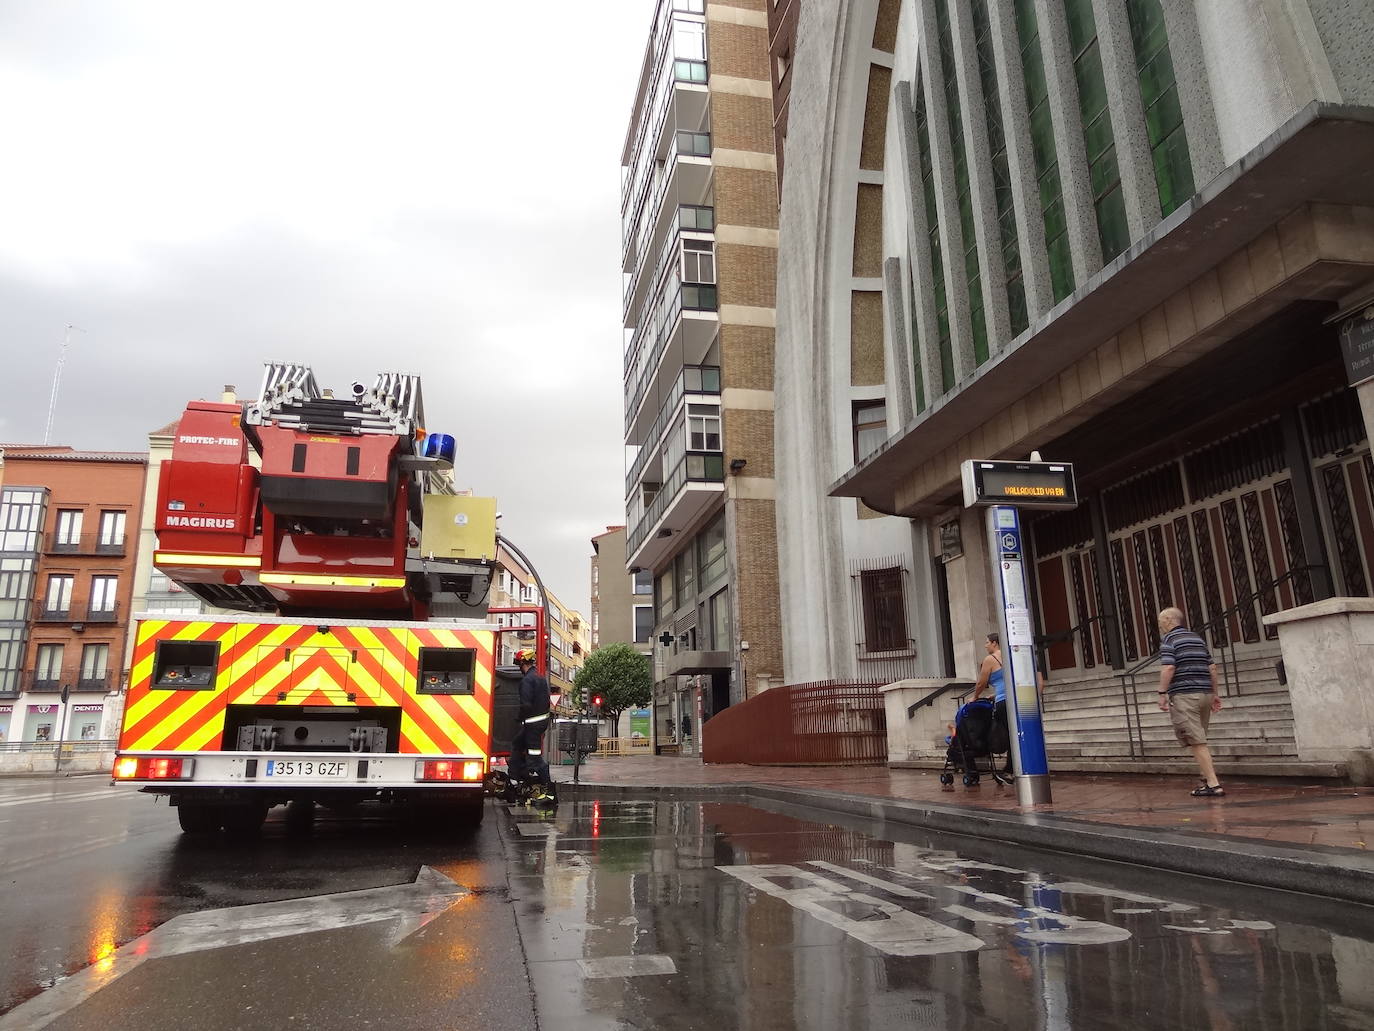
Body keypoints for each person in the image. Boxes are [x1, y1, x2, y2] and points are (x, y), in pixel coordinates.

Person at [1157, 607, 1224, 797]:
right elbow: (1212, 668)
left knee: (1197, 741)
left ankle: (1213, 783)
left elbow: (1169, 667)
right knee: (1200, 738)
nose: (1160, 625)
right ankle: (1205, 780)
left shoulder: (1170, 640)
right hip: (1204, 694)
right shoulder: (1196, 638)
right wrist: (1215, 694)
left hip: (1185, 695)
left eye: (1161, 620)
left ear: (1169, 620)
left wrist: (1162, 692)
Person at [507, 648, 552, 789]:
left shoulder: (527, 680)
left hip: (532, 725)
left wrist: (519, 718)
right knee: (517, 744)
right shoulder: (540, 678)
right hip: (539, 723)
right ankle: (515, 777)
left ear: (522, 663)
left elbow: (526, 705)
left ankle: (548, 787)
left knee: (534, 758)